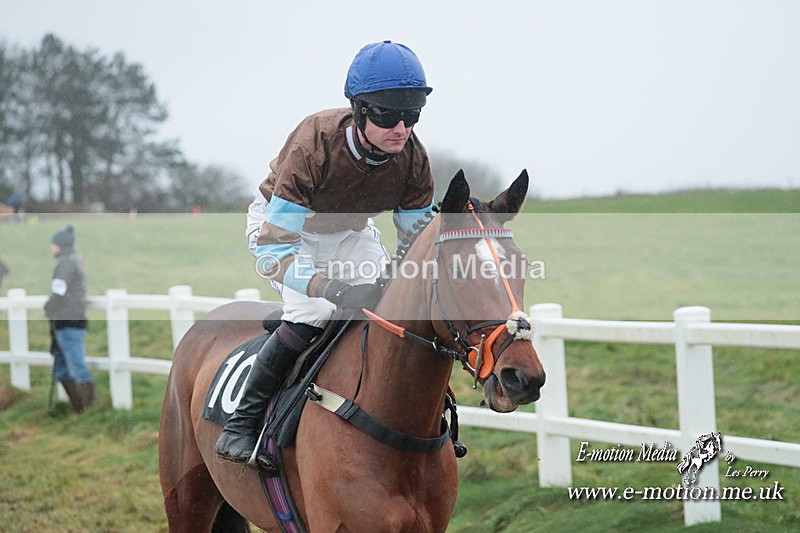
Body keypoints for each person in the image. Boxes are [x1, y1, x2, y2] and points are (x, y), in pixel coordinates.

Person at [216, 40, 436, 469]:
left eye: (411, 115)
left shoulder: (413, 159)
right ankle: (241, 424)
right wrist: (332, 287)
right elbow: (277, 250)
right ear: (359, 110)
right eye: (389, 114)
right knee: (314, 310)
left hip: (350, 232)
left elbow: (414, 244)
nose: (401, 128)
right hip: (283, 231)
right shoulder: (314, 141)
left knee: (390, 306)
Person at [44, 225, 95, 413]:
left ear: (59, 245)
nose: (52, 247)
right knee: (63, 369)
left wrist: (48, 308)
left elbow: (59, 291)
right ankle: (80, 409)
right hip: (71, 319)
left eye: (54, 244)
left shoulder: (65, 263)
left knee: (75, 366)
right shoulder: (76, 260)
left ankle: (87, 408)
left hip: (67, 322)